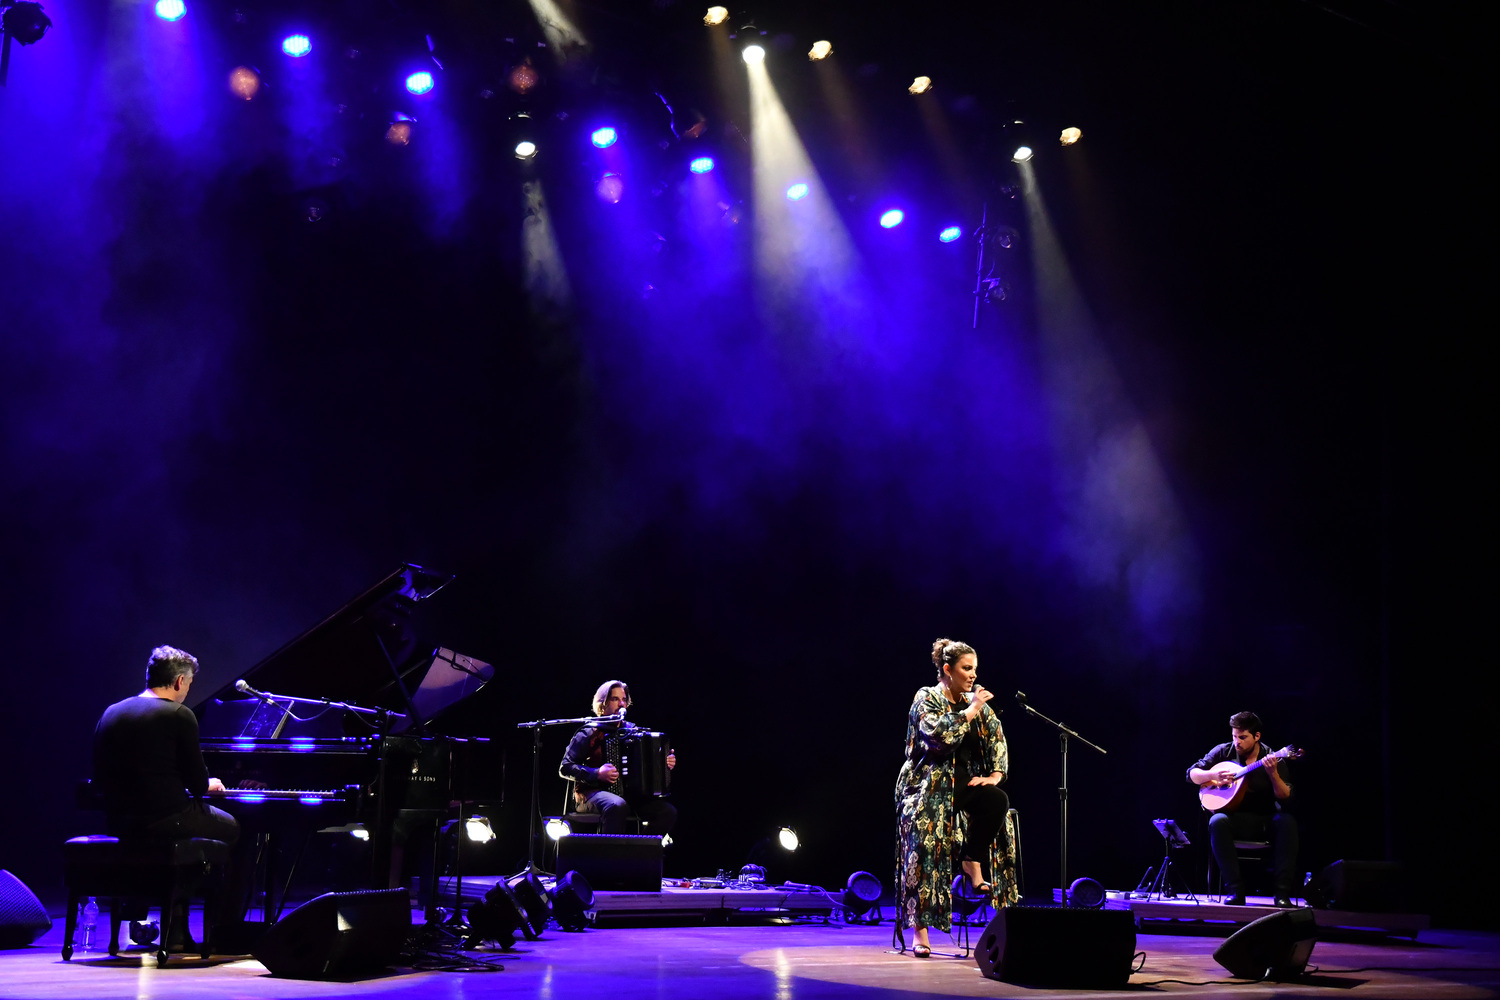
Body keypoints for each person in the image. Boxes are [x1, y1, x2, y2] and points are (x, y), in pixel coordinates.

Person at [894, 639, 1019, 958]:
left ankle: (971, 860)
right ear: (947, 670)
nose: (973, 675)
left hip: (961, 785)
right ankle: (920, 931)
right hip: (925, 787)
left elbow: (996, 738)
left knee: (996, 801)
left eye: (975, 669)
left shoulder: (974, 702)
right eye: (966, 668)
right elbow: (938, 739)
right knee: (924, 843)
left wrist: (995, 775)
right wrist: (971, 709)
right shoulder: (927, 697)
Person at [93, 645, 240, 845]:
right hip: (168, 819)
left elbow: (100, 777)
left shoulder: (111, 712)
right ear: (180, 681)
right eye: (189, 683)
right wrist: (207, 784)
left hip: (120, 823)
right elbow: (198, 786)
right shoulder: (179, 714)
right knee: (234, 827)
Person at [1188, 710, 1298, 907]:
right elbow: (1192, 774)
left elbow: (1286, 796)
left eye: (1243, 737)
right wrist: (1212, 775)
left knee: (1287, 822)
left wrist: (1273, 774)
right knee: (1217, 821)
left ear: (1257, 736)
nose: (1237, 742)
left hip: (1264, 820)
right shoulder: (1223, 752)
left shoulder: (1272, 757)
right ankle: (1235, 891)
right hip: (1234, 820)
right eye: (1234, 736)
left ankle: (1282, 893)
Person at [559, 680, 677, 836]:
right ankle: (611, 851)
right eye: (615, 699)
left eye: (624, 700)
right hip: (591, 793)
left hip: (629, 796)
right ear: (602, 705)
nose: (621, 704)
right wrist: (597, 773)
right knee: (616, 805)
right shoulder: (588, 732)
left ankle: (638, 850)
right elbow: (565, 767)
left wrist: (663, 762)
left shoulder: (632, 731)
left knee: (667, 812)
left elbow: (647, 762)